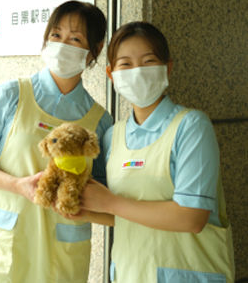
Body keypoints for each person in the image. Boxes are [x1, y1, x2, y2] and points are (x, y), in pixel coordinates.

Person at [0, 0, 113, 283]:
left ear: (96, 49)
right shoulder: (12, 95)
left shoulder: (100, 121)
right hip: (6, 238)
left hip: (63, 249)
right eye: (56, 35)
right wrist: (17, 186)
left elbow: (104, 198)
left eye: (76, 38)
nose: (62, 44)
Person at [79, 21, 235, 282]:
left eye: (148, 61)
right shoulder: (113, 136)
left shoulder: (191, 126)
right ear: (111, 74)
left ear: (168, 68)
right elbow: (123, 214)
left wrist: (109, 201)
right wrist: (82, 208)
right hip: (131, 272)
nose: (137, 72)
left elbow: (192, 217)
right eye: (125, 64)